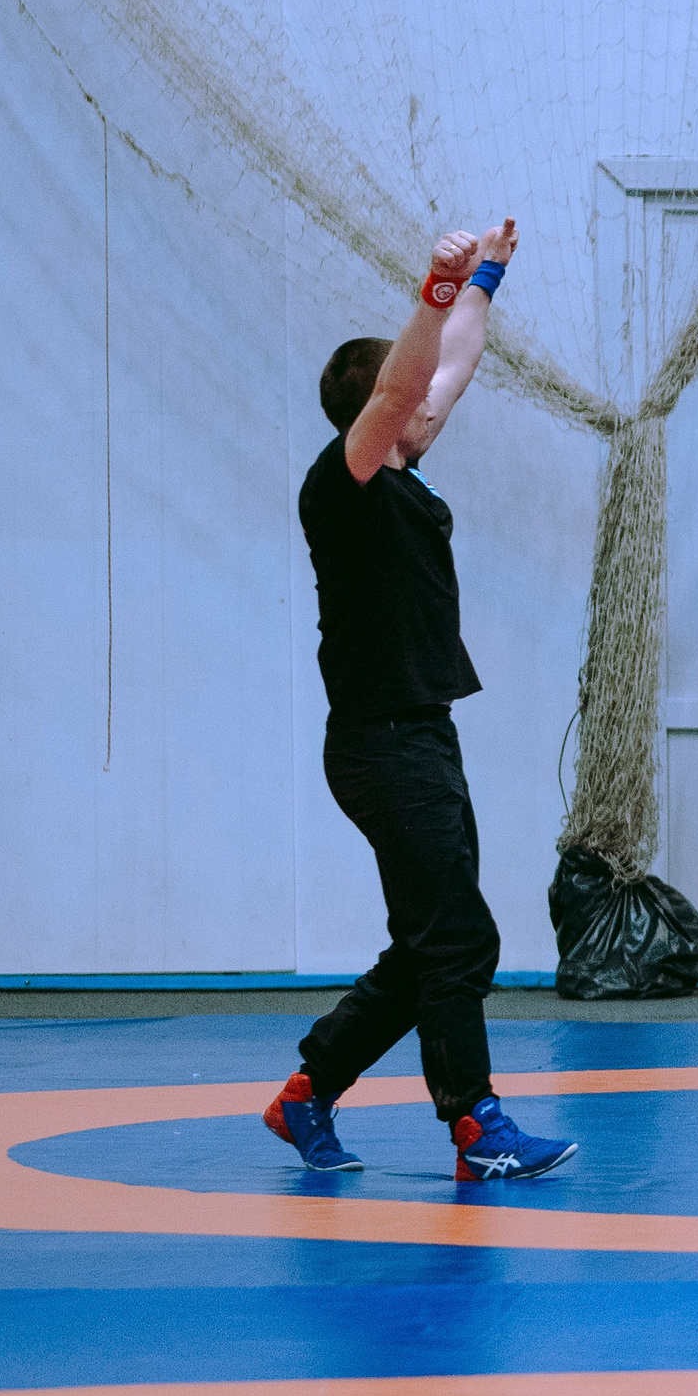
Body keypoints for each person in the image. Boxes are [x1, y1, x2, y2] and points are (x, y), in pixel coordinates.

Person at [260, 220, 577, 1182]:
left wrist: (486, 280)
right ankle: (475, 1126)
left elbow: (448, 372)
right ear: (374, 411)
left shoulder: (400, 469)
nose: (432, 402)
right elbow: (408, 381)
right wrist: (436, 285)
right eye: (409, 393)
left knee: (438, 936)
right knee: (453, 936)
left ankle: (307, 1093)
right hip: (379, 744)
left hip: (420, 737)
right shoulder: (345, 480)